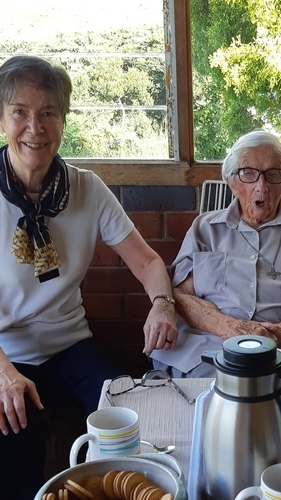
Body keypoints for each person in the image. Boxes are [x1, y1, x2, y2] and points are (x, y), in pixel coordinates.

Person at [0, 55, 177, 498]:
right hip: (5, 352)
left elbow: (149, 263)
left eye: (48, 113)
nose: (34, 128)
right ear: (2, 118)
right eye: (20, 111)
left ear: (63, 120)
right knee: (14, 441)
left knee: (119, 418)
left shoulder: (87, 189)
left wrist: (162, 304)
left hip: (71, 345)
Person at [150, 130, 281, 377]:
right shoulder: (205, 229)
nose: (262, 186)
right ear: (231, 182)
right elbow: (180, 296)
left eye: (274, 175)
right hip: (212, 349)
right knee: (212, 402)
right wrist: (230, 327)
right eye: (248, 173)